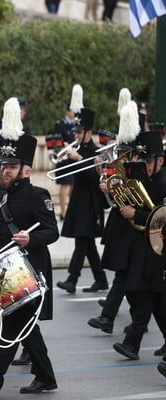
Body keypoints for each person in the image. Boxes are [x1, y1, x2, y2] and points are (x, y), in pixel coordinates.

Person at [0, 98, 58, 398]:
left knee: (13, 323)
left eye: (10, 167)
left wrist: (30, 239)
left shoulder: (38, 195)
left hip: (31, 270)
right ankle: (45, 377)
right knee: (26, 328)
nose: (3, 171)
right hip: (3, 272)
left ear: (24, 170)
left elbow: (52, 231)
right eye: (2, 166)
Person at [87, 100, 142, 335]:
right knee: (127, 279)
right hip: (121, 223)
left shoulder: (139, 168)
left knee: (124, 276)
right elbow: (112, 204)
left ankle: (109, 317)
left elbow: (138, 198)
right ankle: (135, 320)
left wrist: (114, 190)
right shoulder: (119, 167)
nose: (118, 156)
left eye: (122, 153)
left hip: (134, 227)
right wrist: (106, 187)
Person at [112, 130, 166, 361]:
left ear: (160, 160)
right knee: (155, 298)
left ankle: (131, 342)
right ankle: (133, 342)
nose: (142, 166)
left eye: (147, 161)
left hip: (160, 247)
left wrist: (137, 214)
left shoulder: (164, 181)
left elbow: (162, 217)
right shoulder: (146, 178)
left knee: (147, 293)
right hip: (146, 245)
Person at [56, 107, 108, 293]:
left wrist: (78, 158)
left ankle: (72, 279)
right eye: (75, 132)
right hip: (78, 200)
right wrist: (61, 156)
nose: (76, 135)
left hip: (91, 201)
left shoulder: (97, 152)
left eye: (79, 132)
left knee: (82, 241)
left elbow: (95, 177)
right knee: (87, 244)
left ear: (89, 133)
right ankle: (101, 280)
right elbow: (64, 171)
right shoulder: (78, 149)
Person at [52, 102, 77, 220]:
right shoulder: (60, 124)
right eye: (72, 110)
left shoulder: (77, 124)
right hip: (64, 160)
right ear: (67, 111)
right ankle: (63, 212)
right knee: (65, 185)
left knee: (74, 186)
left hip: (74, 159)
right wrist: (64, 145)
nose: (74, 113)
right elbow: (54, 141)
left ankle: (72, 212)